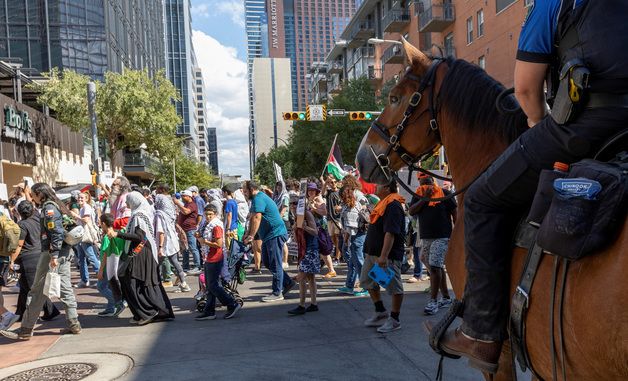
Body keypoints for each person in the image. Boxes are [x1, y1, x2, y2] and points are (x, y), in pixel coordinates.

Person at [435, 0, 628, 372]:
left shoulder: (553, 3)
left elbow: (525, 90)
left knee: (481, 199)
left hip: (587, 128)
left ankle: (482, 333)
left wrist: (539, 123)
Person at [2, 183, 81, 340]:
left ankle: (25, 329)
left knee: (36, 291)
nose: (32, 197)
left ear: (40, 194)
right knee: (64, 287)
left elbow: (56, 232)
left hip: (52, 253)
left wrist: (54, 256)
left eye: (33, 194)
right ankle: (74, 323)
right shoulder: (54, 205)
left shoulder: (48, 208)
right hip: (61, 253)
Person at [105, 192, 174, 325]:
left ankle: (147, 312)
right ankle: (148, 312)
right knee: (139, 282)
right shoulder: (139, 214)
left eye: (128, 201)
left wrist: (118, 234)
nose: (126, 204)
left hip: (141, 254)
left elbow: (139, 237)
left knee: (135, 281)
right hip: (142, 253)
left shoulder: (139, 216)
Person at [360, 181, 406, 333]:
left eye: (379, 184)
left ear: (387, 187)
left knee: (394, 287)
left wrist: (384, 256)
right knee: (368, 282)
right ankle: (380, 311)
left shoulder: (393, 205)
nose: (375, 186)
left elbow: (390, 232)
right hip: (373, 254)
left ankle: (394, 319)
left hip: (386, 257)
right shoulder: (384, 203)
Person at [409, 175, 456, 315]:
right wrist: (424, 198)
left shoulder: (445, 194)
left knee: (434, 266)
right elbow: (411, 211)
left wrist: (456, 233)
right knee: (436, 267)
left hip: (443, 236)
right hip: (426, 236)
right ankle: (446, 298)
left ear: (433, 182)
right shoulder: (418, 194)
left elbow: (455, 213)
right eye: (422, 184)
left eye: (427, 183)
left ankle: (433, 301)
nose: (424, 186)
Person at [243, 181, 296, 302]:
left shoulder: (258, 198)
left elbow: (257, 217)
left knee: (275, 262)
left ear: (252, 189)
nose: (245, 194)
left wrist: (251, 235)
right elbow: (252, 217)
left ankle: (277, 292)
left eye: (245, 191)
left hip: (275, 234)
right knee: (267, 261)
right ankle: (288, 282)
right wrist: (248, 233)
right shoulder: (257, 199)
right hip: (269, 235)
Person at [12, 201, 60, 321]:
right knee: (24, 287)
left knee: (33, 289)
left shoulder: (22, 224)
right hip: (39, 255)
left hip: (28, 259)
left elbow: (19, 245)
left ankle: (50, 311)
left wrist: (11, 261)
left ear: (19, 212)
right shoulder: (38, 219)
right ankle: (20, 313)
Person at [195, 205, 242, 320]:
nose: (208, 216)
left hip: (215, 258)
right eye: (206, 214)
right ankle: (209, 311)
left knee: (213, 285)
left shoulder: (216, 225)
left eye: (210, 214)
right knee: (209, 286)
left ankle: (232, 304)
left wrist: (204, 241)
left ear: (215, 214)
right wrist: (199, 237)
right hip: (208, 257)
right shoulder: (208, 224)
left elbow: (219, 244)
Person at [154, 185, 190, 292]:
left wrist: (160, 247)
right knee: (174, 261)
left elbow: (161, 232)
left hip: (164, 242)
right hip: (172, 239)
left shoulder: (159, 214)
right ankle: (183, 283)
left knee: (157, 263)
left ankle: (152, 284)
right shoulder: (170, 212)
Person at [287, 203, 320, 315]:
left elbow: (315, 232)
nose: (292, 208)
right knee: (310, 277)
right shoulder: (298, 216)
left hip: (310, 249)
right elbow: (296, 240)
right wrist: (295, 229)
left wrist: (304, 227)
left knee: (302, 278)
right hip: (304, 250)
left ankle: (301, 306)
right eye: (291, 206)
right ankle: (313, 304)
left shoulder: (307, 214)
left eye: (294, 205)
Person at [336, 186, 369, 297]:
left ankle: (367, 287)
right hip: (357, 236)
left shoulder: (351, 207)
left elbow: (351, 228)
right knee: (353, 263)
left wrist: (345, 241)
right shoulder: (350, 205)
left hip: (356, 237)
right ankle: (349, 286)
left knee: (359, 262)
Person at [98, 213, 126, 317]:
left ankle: (118, 302)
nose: (100, 225)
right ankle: (110, 308)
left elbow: (105, 253)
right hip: (114, 264)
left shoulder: (107, 237)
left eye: (100, 223)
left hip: (107, 266)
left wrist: (101, 269)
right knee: (111, 286)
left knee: (101, 286)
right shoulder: (118, 233)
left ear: (104, 224)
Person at [305, 182, 336, 278]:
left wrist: (314, 208)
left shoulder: (318, 198)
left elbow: (324, 212)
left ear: (316, 191)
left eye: (312, 190)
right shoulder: (308, 199)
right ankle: (310, 272)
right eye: (309, 190)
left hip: (320, 228)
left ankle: (332, 270)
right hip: (312, 227)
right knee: (316, 250)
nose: (311, 192)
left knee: (324, 250)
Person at [72, 192, 101, 288]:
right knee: (81, 258)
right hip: (81, 235)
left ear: (86, 198)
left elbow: (86, 220)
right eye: (79, 197)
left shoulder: (86, 207)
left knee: (91, 257)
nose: (79, 199)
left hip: (85, 236)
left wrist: (75, 216)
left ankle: (102, 279)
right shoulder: (82, 208)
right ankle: (84, 280)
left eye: (82, 198)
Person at [174, 190, 201, 274]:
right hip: (183, 230)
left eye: (184, 196)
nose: (182, 197)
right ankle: (185, 266)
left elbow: (186, 211)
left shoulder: (192, 204)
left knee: (193, 248)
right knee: (185, 249)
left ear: (189, 196)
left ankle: (197, 266)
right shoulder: (186, 204)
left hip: (190, 229)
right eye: (182, 196)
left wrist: (178, 203)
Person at [323, 175, 343, 264]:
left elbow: (345, 203)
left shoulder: (341, 192)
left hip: (338, 218)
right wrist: (325, 182)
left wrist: (340, 207)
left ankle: (337, 258)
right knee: (332, 238)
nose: (333, 184)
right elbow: (322, 193)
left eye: (334, 182)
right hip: (330, 218)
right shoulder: (328, 192)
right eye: (331, 182)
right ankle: (340, 252)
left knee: (338, 238)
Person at [272, 180, 290, 270]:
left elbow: (284, 209)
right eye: (277, 185)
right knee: (278, 242)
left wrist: (277, 219)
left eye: (280, 186)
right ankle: (279, 260)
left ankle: (285, 261)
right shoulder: (276, 196)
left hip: (282, 220)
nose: (278, 187)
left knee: (283, 242)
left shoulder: (285, 196)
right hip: (276, 220)